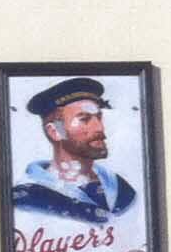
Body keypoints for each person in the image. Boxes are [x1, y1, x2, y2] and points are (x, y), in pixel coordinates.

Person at [10, 76, 137, 226]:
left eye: (99, 117)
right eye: (84, 119)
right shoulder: (28, 198)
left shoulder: (121, 190)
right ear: (55, 132)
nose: (99, 128)